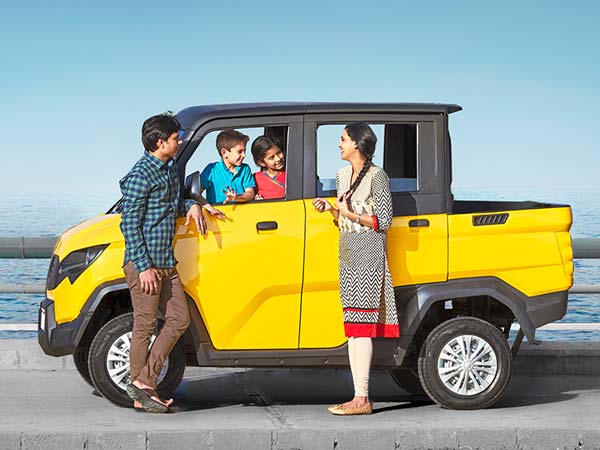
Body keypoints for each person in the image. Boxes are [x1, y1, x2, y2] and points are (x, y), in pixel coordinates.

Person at [120, 113, 223, 413]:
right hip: (146, 264)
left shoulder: (168, 171)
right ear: (160, 142)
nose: (179, 143)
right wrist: (143, 267)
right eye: (176, 139)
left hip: (167, 260)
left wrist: (192, 205)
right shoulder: (140, 175)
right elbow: (129, 225)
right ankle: (143, 390)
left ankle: (143, 383)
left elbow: (171, 204)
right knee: (144, 325)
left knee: (179, 319)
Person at [312, 122, 399, 416]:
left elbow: (384, 221)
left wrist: (348, 212)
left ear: (358, 144)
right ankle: (358, 396)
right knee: (353, 328)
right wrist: (332, 210)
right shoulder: (341, 175)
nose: (339, 144)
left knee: (361, 327)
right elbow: (344, 218)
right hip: (348, 251)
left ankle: (362, 398)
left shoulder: (377, 176)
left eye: (343, 139)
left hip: (368, 253)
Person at [200, 129, 256, 204]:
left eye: (244, 151)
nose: (244, 155)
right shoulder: (211, 170)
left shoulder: (245, 169)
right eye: (240, 151)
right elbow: (196, 194)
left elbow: (250, 193)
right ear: (224, 153)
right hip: (217, 212)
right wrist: (208, 207)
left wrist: (237, 197)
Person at [251, 135, 286, 200]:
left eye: (279, 152)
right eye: (271, 157)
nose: (278, 158)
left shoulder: (291, 171)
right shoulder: (256, 179)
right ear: (261, 162)